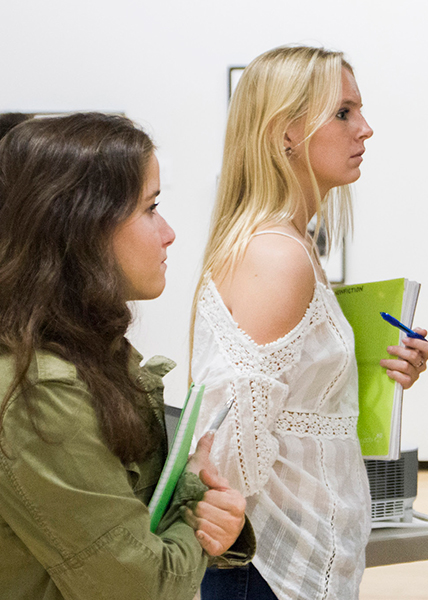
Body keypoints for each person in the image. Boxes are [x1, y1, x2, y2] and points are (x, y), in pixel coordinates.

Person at [191, 46, 428, 600]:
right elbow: (231, 436)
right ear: (285, 132)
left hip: (288, 559)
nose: (365, 129)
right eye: (344, 113)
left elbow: (293, 398)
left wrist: (374, 368)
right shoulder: (278, 255)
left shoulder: (293, 243)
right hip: (265, 567)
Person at [0, 112, 252, 600]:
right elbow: (141, 588)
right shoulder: (42, 390)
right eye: (150, 208)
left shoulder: (91, 349)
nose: (169, 233)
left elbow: (142, 523)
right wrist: (195, 504)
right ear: (83, 227)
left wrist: (209, 519)